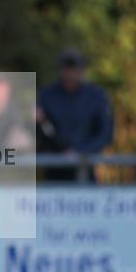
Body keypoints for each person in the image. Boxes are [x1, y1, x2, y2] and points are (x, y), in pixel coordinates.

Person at [36, 48, 113, 182]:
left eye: (73, 68)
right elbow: (41, 132)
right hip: (53, 172)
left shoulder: (96, 96)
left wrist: (81, 152)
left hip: (86, 169)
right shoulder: (46, 96)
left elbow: (105, 133)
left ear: (81, 70)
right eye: (66, 68)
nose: (69, 73)